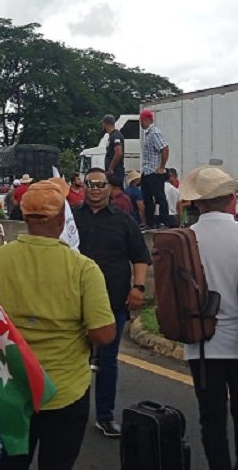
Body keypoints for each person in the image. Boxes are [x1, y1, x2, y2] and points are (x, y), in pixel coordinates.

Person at [0, 179, 116, 469]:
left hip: (13, 386)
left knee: (12, 461)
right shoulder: (83, 268)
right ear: (63, 218)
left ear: (24, 216)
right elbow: (103, 334)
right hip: (65, 389)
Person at [179, 166, 238, 470]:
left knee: (211, 417)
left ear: (198, 202)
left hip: (201, 344)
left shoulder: (185, 238)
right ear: (232, 198)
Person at [72, 169, 151, 438]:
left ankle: (105, 416)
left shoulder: (124, 220)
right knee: (74, 359)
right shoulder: (69, 218)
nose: (94, 189)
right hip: (73, 302)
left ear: (110, 188)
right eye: (90, 184)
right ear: (83, 187)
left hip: (112, 301)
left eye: (100, 184)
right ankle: (73, 413)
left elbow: (140, 256)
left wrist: (138, 288)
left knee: (108, 360)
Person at [139, 109, 170, 228]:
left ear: (146, 119)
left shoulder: (154, 132)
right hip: (147, 171)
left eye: (141, 121)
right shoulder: (148, 134)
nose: (141, 123)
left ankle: (164, 221)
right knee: (147, 199)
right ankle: (150, 223)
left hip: (154, 171)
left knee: (159, 197)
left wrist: (161, 167)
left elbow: (165, 148)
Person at [102, 114, 125, 188]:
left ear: (105, 124)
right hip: (114, 172)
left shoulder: (115, 136)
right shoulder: (112, 136)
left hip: (115, 172)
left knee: (115, 193)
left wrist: (111, 168)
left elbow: (118, 153)